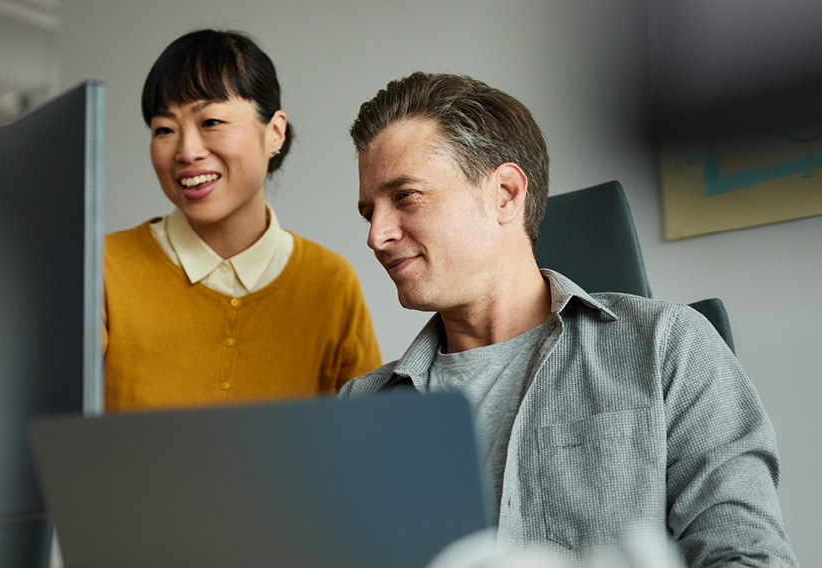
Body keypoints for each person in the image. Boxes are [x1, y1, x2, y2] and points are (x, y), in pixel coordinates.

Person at [340, 72, 798, 567]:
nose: (377, 234)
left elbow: (750, 560)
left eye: (404, 196)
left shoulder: (669, 347)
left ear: (506, 194)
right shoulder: (363, 409)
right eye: (369, 212)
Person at [103, 30, 381, 411]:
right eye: (164, 129)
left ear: (275, 132)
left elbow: (365, 448)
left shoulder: (330, 284)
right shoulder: (102, 269)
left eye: (211, 121)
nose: (187, 151)